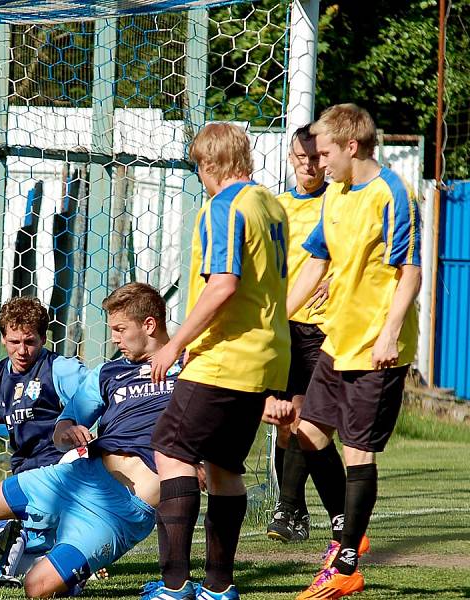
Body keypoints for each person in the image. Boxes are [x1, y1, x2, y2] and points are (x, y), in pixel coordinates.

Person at [0, 282, 182, 598]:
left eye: (119, 329)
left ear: (148, 325)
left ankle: (63, 553)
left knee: (36, 588)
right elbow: (67, 423)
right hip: (75, 477)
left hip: (120, 507)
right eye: (13, 341)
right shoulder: (108, 372)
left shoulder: (188, 367)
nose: (114, 338)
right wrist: (67, 432)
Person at [145, 122, 291, 600]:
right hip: (265, 358)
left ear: (209, 165)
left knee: (171, 451)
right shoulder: (271, 205)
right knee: (224, 467)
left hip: (225, 356)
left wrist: (174, 343)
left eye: (199, 168)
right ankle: (219, 586)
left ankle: (173, 584)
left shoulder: (224, 206)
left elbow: (223, 284)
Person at [288, 104, 421, 599]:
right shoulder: (336, 196)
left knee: (357, 448)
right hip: (337, 339)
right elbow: (315, 262)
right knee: (307, 431)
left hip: (375, 347)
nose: (318, 164)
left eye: (324, 153)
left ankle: (345, 566)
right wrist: (277, 316)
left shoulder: (392, 193)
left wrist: (389, 333)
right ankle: (350, 528)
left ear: (350, 146)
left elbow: (410, 270)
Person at [0, 296, 87, 581]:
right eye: (14, 342)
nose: (21, 350)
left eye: (29, 342)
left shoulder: (61, 370)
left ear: (43, 338)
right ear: (4, 338)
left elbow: (97, 401)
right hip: (23, 477)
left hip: (63, 476)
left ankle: (72, 547)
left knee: (23, 557)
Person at [265, 124, 333, 544]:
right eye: (300, 157)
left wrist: (335, 277)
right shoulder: (277, 207)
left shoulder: (337, 203)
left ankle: (287, 510)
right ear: (291, 158)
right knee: (284, 421)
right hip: (281, 325)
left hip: (321, 328)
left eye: (314, 158)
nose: (307, 165)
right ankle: (297, 511)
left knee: (307, 416)